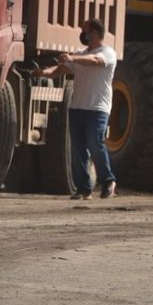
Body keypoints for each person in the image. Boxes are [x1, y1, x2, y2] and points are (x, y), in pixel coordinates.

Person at [33, 19, 118, 199]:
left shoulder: (107, 52)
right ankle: (84, 188)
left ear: (94, 33)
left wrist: (73, 58)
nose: (82, 34)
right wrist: (44, 72)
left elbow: (95, 61)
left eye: (85, 31)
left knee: (95, 143)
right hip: (77, 107)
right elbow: (61, 69)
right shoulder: (80, 54)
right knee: (78, 149)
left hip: (98, 108)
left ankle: (108, 180)